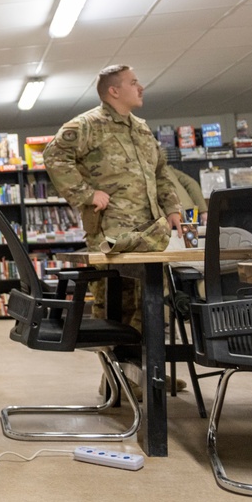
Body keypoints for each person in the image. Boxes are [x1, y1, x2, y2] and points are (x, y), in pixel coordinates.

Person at [43, 64, 183, 334]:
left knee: (152, 308)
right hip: (111, 235)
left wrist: (173, 209)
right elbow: (54, 155)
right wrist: (86, 193)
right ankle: (116, 376)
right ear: (114, 90)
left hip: (151, 232)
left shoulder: (141, 129)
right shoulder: (88, 124)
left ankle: (146, 376)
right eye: (133, 82)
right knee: (115, 308)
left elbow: (161, 172)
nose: (141, 87)